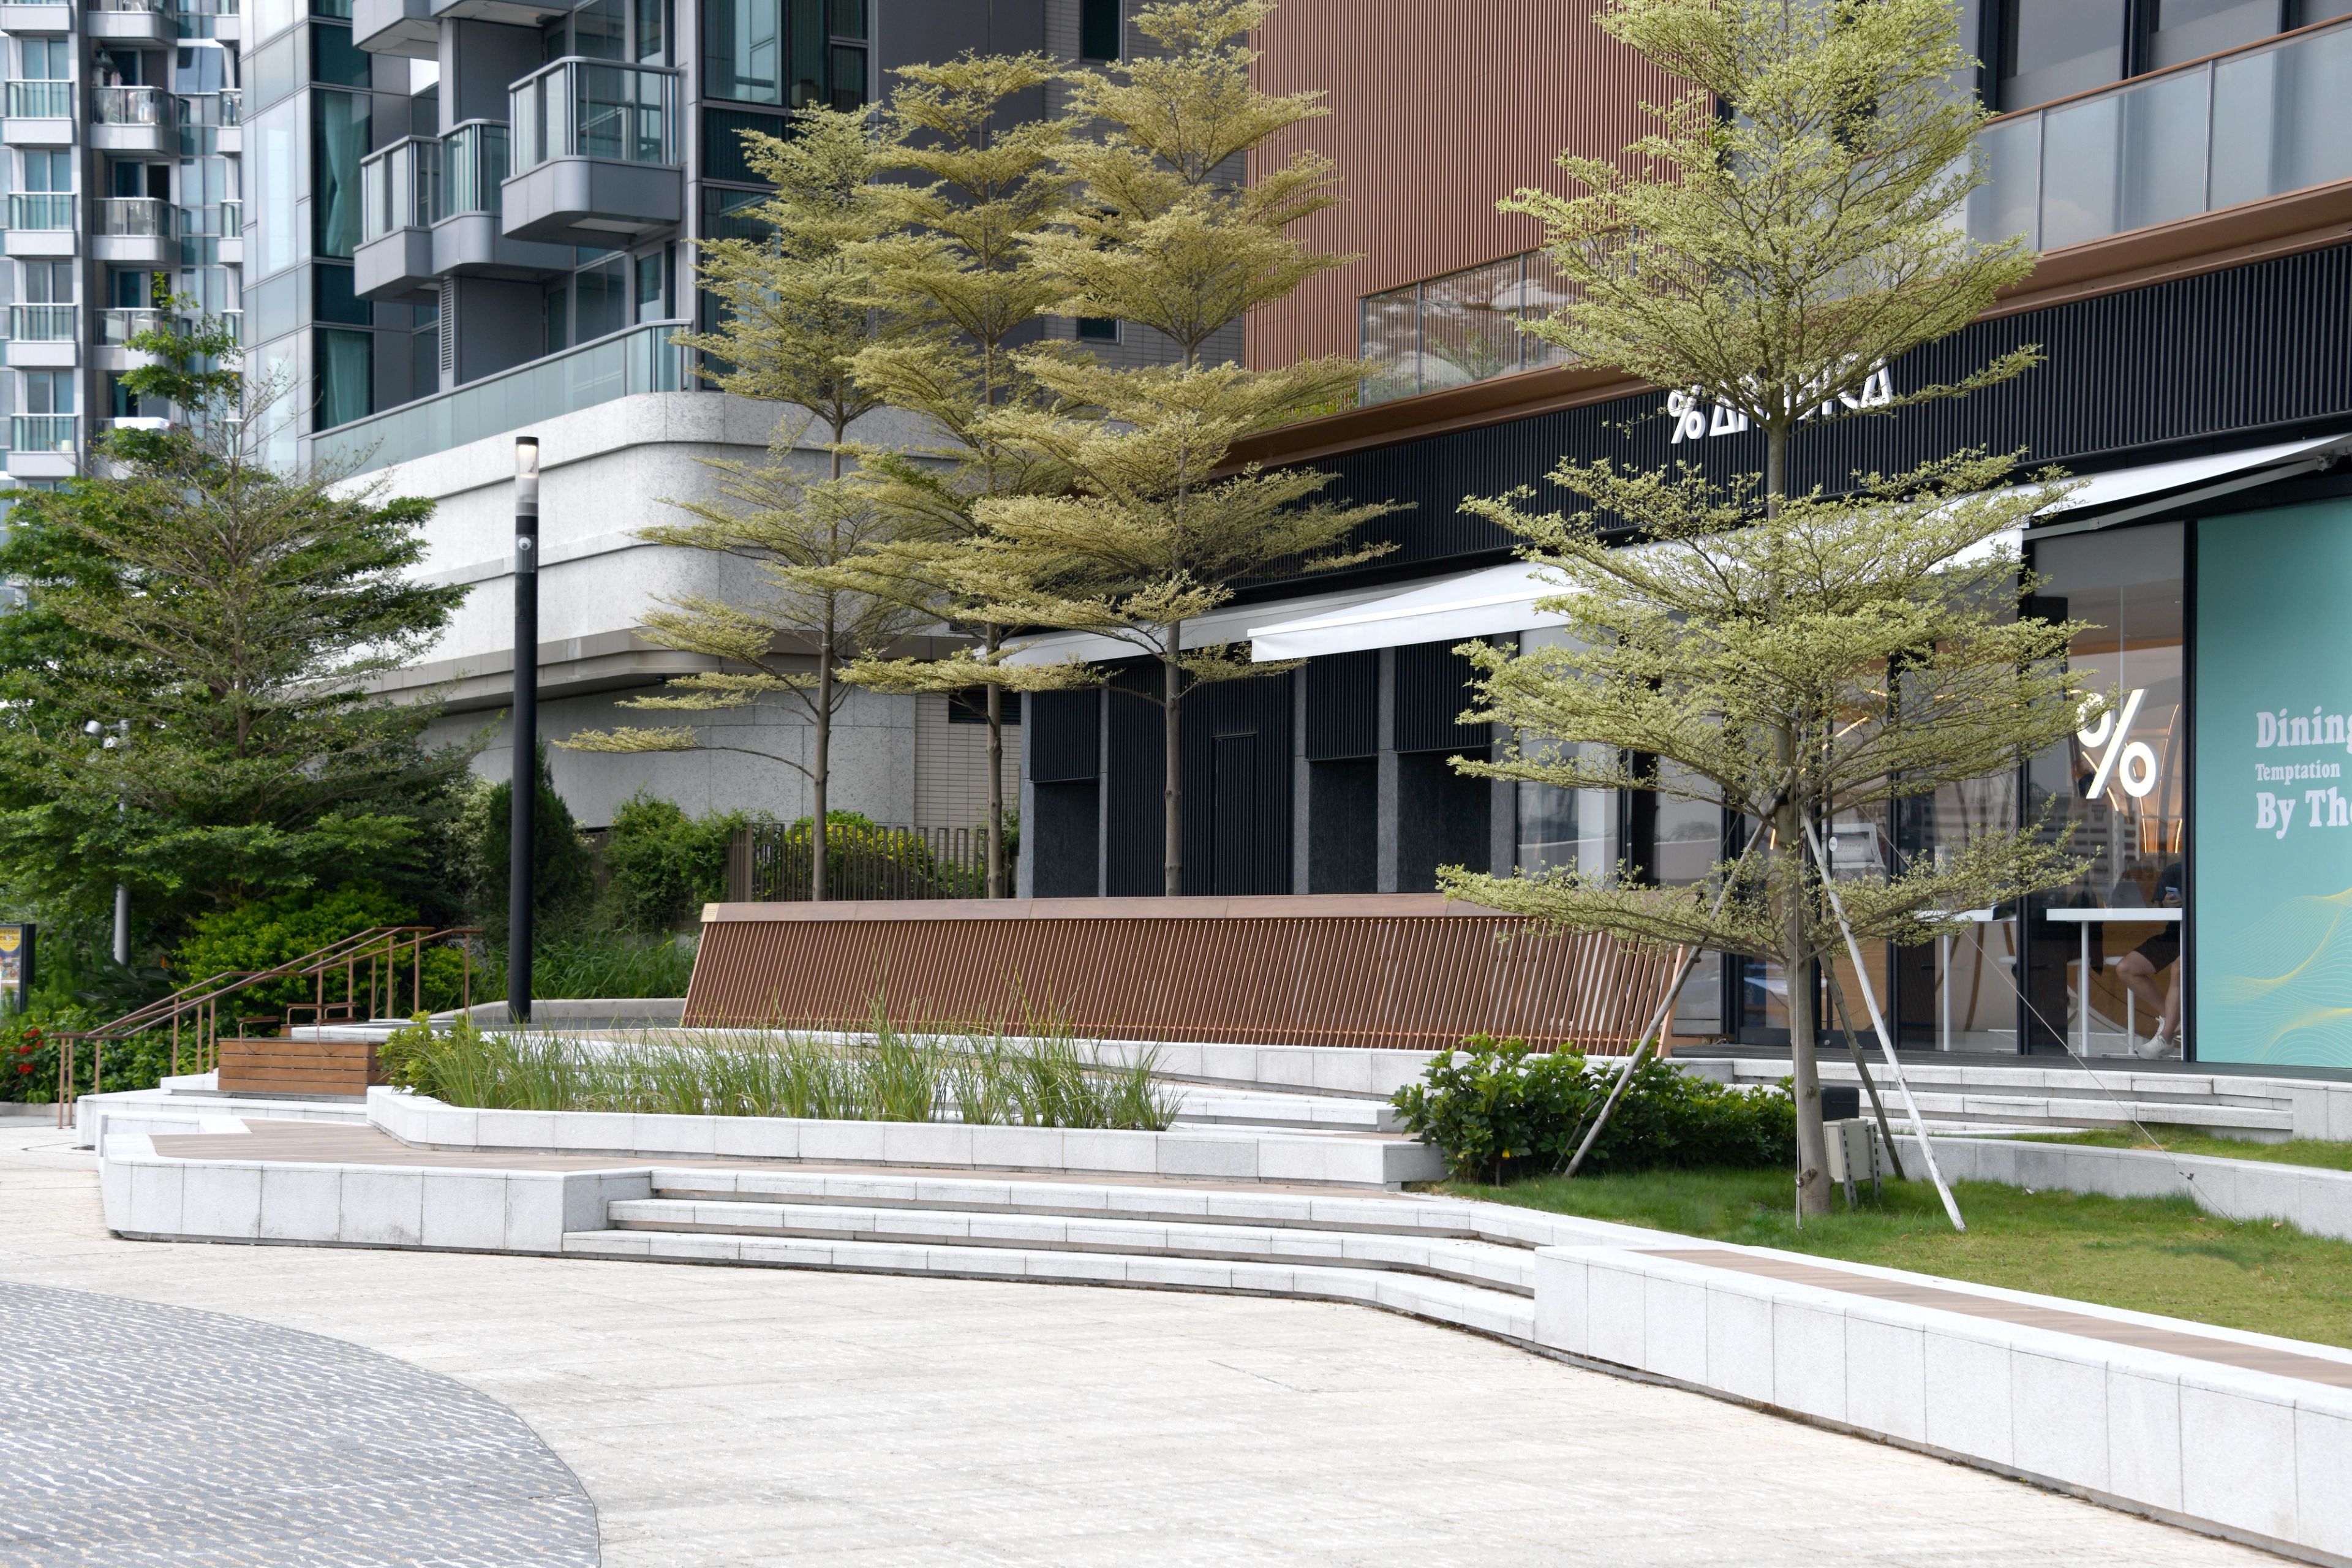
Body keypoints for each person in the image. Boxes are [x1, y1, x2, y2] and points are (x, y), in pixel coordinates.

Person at [2115, 860, 2183, 1058]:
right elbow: (2157, 903)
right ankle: (2174, 1018)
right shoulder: (2174, 871)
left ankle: (2166, 1037)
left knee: (2179, 968)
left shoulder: (2217, 869)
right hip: (2174, 934)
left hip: (2203, 933)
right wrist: (2166, 904)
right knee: (2127, 968)